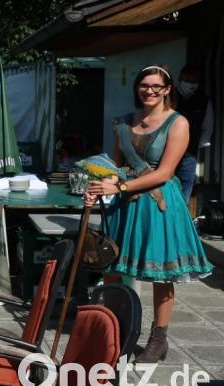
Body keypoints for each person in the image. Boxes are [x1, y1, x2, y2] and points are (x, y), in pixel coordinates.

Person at [85, 65, 213, 363]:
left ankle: (158, 339)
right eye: (144, 85)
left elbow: (165, 173)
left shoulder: (178, 123)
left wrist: (119, 186)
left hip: (158, 205)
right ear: (137, 89)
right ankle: (116, 331)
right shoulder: (124, 122)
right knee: (113, 267)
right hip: (125, 205)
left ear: (167, 89)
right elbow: (116, 167)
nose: (150, 91)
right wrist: (99, 185)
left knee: (161, 273)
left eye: (157, 86)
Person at [174, 65, 214, 202]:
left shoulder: (203, 101)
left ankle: (180, 215)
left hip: (189, 155)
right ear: (180, 79)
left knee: (185, 193)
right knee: (165, 190)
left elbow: (207, 127)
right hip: (165, 152)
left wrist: (195, 145)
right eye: (187, 80)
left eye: (194, 81)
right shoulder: (169, 96)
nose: (190, 84)